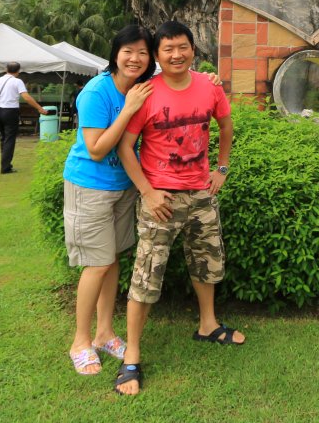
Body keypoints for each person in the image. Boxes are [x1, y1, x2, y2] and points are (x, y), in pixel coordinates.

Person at [114, 20, 244, 396]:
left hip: (202, 194)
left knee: (207, 263)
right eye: (168, 49)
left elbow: (226, 126)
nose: (176, 54)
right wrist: (148, 192)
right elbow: (126, 146)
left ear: (193, 50)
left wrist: (221, 168)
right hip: (162, 199)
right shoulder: (145, 93)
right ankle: (132, 356)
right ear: (158, 56)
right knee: (147, 273)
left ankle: (208, 324)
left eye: (183, 47)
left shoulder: (209, 86)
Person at [63, 25, 156, 376]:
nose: (135, 58)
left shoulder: (141, 87)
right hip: (90, 184)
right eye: (128, 51)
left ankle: (104, 333)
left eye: (143, 52)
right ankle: (80, 340)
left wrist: (208, 79)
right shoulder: (97, 93)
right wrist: (129, 109)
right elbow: (98, 150)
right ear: (115, 54)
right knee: (97, 264)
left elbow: (182, 73)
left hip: (122, 186)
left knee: (112, 258)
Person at [0, 62, 46, 174]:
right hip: (11, 111)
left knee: (4, 138)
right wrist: (39, 108)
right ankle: (5, 167)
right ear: (18, 71)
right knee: (10, 139)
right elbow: (26, 97)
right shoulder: (17, 81)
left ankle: (5, 164)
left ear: (6, 69)